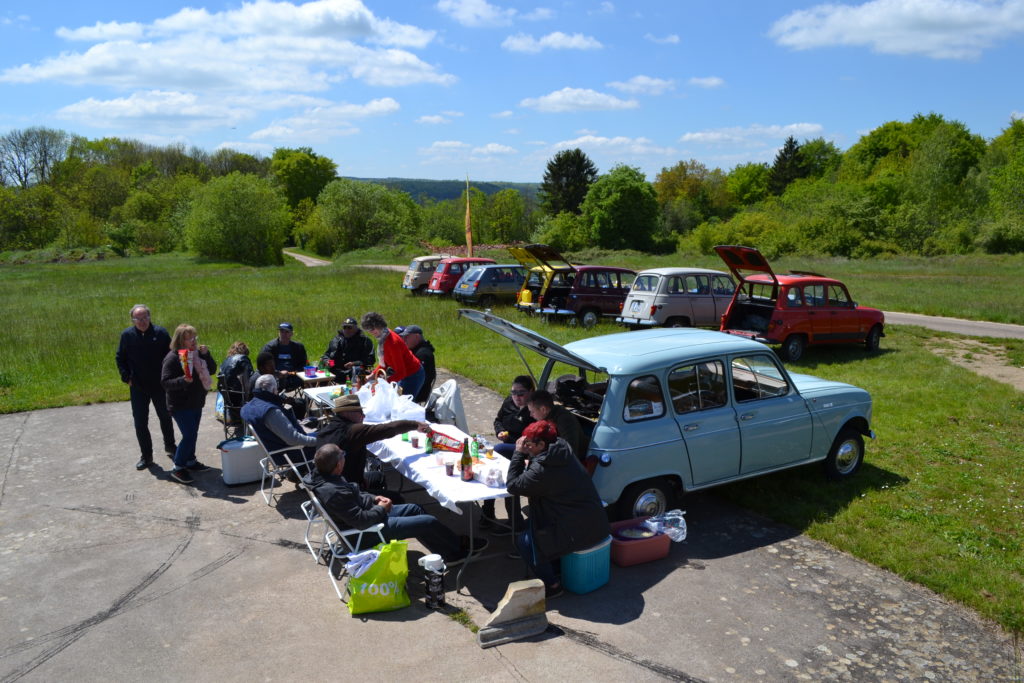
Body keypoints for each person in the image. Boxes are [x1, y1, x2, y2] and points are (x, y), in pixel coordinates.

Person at [305, 444, 488, 565]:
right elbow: (361, 521)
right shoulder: (333, 491)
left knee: (415, 509)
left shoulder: (325, 476)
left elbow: (357, 494)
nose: (345, 457)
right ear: (338, 465)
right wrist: (381, 508)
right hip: (365, 533)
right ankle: (455, 554)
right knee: (427, 522)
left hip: (367, 516)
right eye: (342, 455)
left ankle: (448, 546)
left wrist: (375, 499)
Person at [506, 420, 609, 598]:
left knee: (524, 540)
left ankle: (552, 585)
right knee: (533, 524)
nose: (526, 446)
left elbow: (513, 486)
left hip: (578, 527)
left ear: (541, 444)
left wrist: (518, 453)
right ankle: (556, 566)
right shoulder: (561, 449)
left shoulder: (545, 468)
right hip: (590, 518)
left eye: (529, 443)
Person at [316, 394, 427, 491]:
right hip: (345, 488)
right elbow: (387, 429)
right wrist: (415, 424)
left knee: (378, 476)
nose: (363, 415)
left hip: (328, 483)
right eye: (360, 412)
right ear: (348, 413)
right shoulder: (353, 431)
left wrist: (360, 476)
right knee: (399, 500)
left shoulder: (330, 427)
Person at [116, 304, 177, 471]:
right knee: (140, 423)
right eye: (138, 319)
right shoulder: (127, 336)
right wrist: (126, 378)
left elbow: (171, 355)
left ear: (150, 317)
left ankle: (170, 446)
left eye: (145, 318)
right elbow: (120, 358)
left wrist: (170, 376)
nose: (142, 321)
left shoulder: (161, 333)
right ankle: (147, 455)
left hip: (159, 385)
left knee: (165, 417)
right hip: (138, 387)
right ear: (133, 320)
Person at [160, 324, 217, 485]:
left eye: (194, 337)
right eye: (189, 338)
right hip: (179, 404)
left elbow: (211, 369)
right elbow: (165, 382)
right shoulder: (172, 357)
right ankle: (177, 467)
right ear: (180, 340)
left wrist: (207, 355)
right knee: (189, 434)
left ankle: (190, 461)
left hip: (196, 401)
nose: (194, 341)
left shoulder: (197, 354)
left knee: (193, 433)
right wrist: (182, 381)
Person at [480, 375, 535, 533]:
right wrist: (499, 432)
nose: (516, 397)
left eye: (521, 393)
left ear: (531, 392)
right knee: (491, 470)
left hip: (527, 450)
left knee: (499, 453)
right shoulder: (509, 402)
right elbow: (498, 420)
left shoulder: (534, 409)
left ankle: (514, 522)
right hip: (510, 445)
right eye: (513, 392)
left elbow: (535, 440)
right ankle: (488, 509)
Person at [240, 374, 317, 478]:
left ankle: (302, 469)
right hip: (288, 453)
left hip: (272, 448)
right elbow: (293, 439)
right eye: (277, 390)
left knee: (317, 427)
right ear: (272, 390)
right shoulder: (271, 411)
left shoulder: (248, 407)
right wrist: (319, 440)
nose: (278, 392)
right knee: (332, 438)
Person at [360, 311, 424, 399]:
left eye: (372, 328)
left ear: (379, 325)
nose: (370, 332)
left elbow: (401, 372)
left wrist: (384, 383)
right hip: (404, 373)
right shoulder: (383, 338)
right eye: (368, 329)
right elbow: (384, 363)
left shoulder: (393, 343)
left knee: (403, 404)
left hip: (413, 374)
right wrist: (372, 375)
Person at [527, 390, 585, 462]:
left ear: (543, 409)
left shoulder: (565, 420)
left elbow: (570, 452)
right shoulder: (545, 418)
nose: (531, 415)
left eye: (532, 411)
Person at [261, 322, 307, 391]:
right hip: (274, 377)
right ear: (278, 333)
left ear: (292, 334)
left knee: (309, 381)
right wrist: (277, 373)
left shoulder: (298, 347)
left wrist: (293, 373)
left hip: (294, 377)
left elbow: (303, 364)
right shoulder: (270, 347)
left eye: (286, 332)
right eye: (281, 331)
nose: (283, 334)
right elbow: (263, 364)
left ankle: (305, 401)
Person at [397, 325, 435, 403]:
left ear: (417, 336)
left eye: (407, 337)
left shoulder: (423, 354)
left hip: (417, 392)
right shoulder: (415, 351)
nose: (404, 340)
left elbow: (422, 378)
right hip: (410, 387)